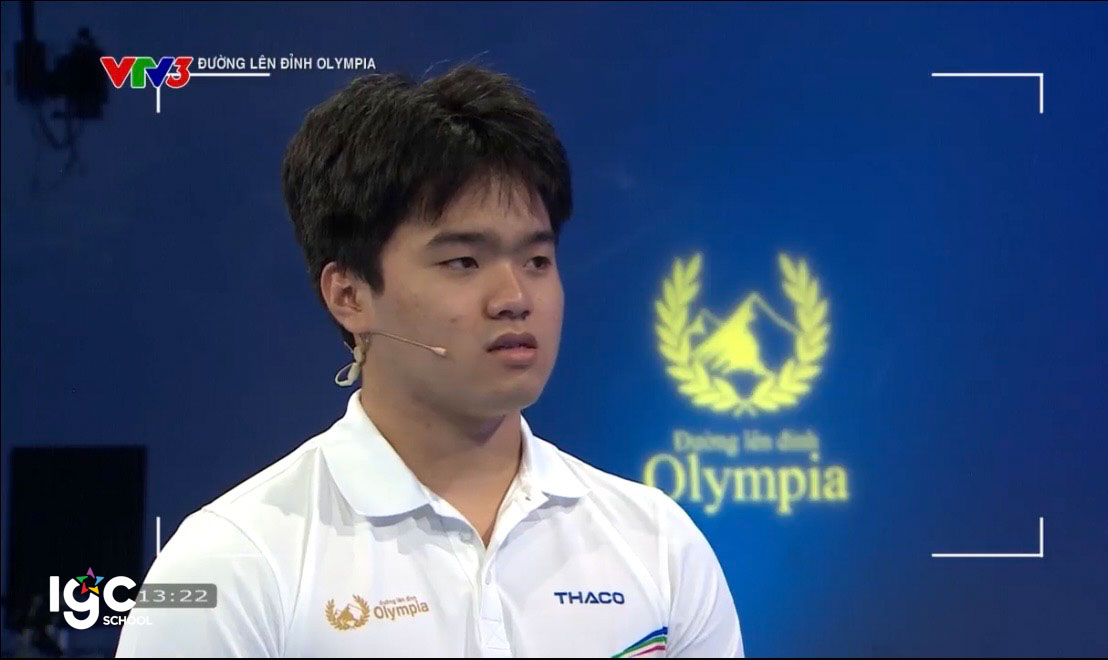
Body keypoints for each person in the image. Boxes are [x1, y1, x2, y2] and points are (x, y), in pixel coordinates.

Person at [115, 62, 743, 658]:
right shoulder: (232, 562)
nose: (515, 298)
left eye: (537, 260)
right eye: (463, 262)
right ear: (349, 295)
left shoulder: (656, 542)